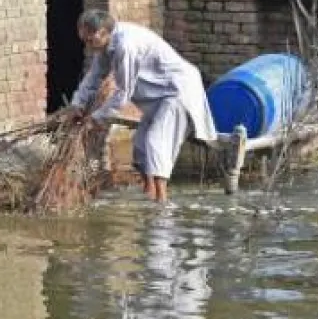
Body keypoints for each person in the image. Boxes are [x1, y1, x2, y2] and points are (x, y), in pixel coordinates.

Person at [69, 11, 216, 203]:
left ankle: (161, 203)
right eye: (84, 40)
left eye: (90, 39)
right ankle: (149, 195)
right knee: (140, 147)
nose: (87, 45)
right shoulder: (105, 47)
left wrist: (96, 118)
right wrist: (77, 105)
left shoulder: (125, 46)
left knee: (156, 142)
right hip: (157, 95)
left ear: (103, 32)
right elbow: (94, 77)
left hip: (176, 91)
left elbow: (123, 94)